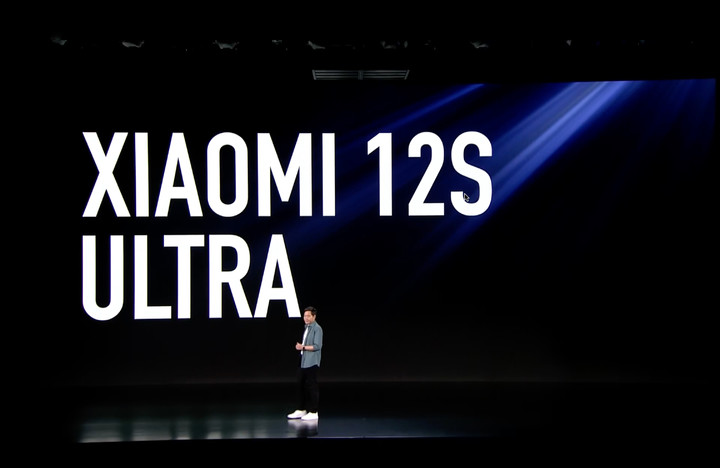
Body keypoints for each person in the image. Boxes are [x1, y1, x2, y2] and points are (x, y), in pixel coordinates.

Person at [287, 306, 323, 421]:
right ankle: (301, 409)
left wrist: (302, 347)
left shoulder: (317, 329)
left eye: (308, 316)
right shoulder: (306, 327)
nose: (306, 318)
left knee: (312, 386)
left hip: (312, 361)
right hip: (303, 360)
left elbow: (317, 346)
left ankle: (314, 411)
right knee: (300, 385)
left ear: (314, 316)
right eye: (304, 316)